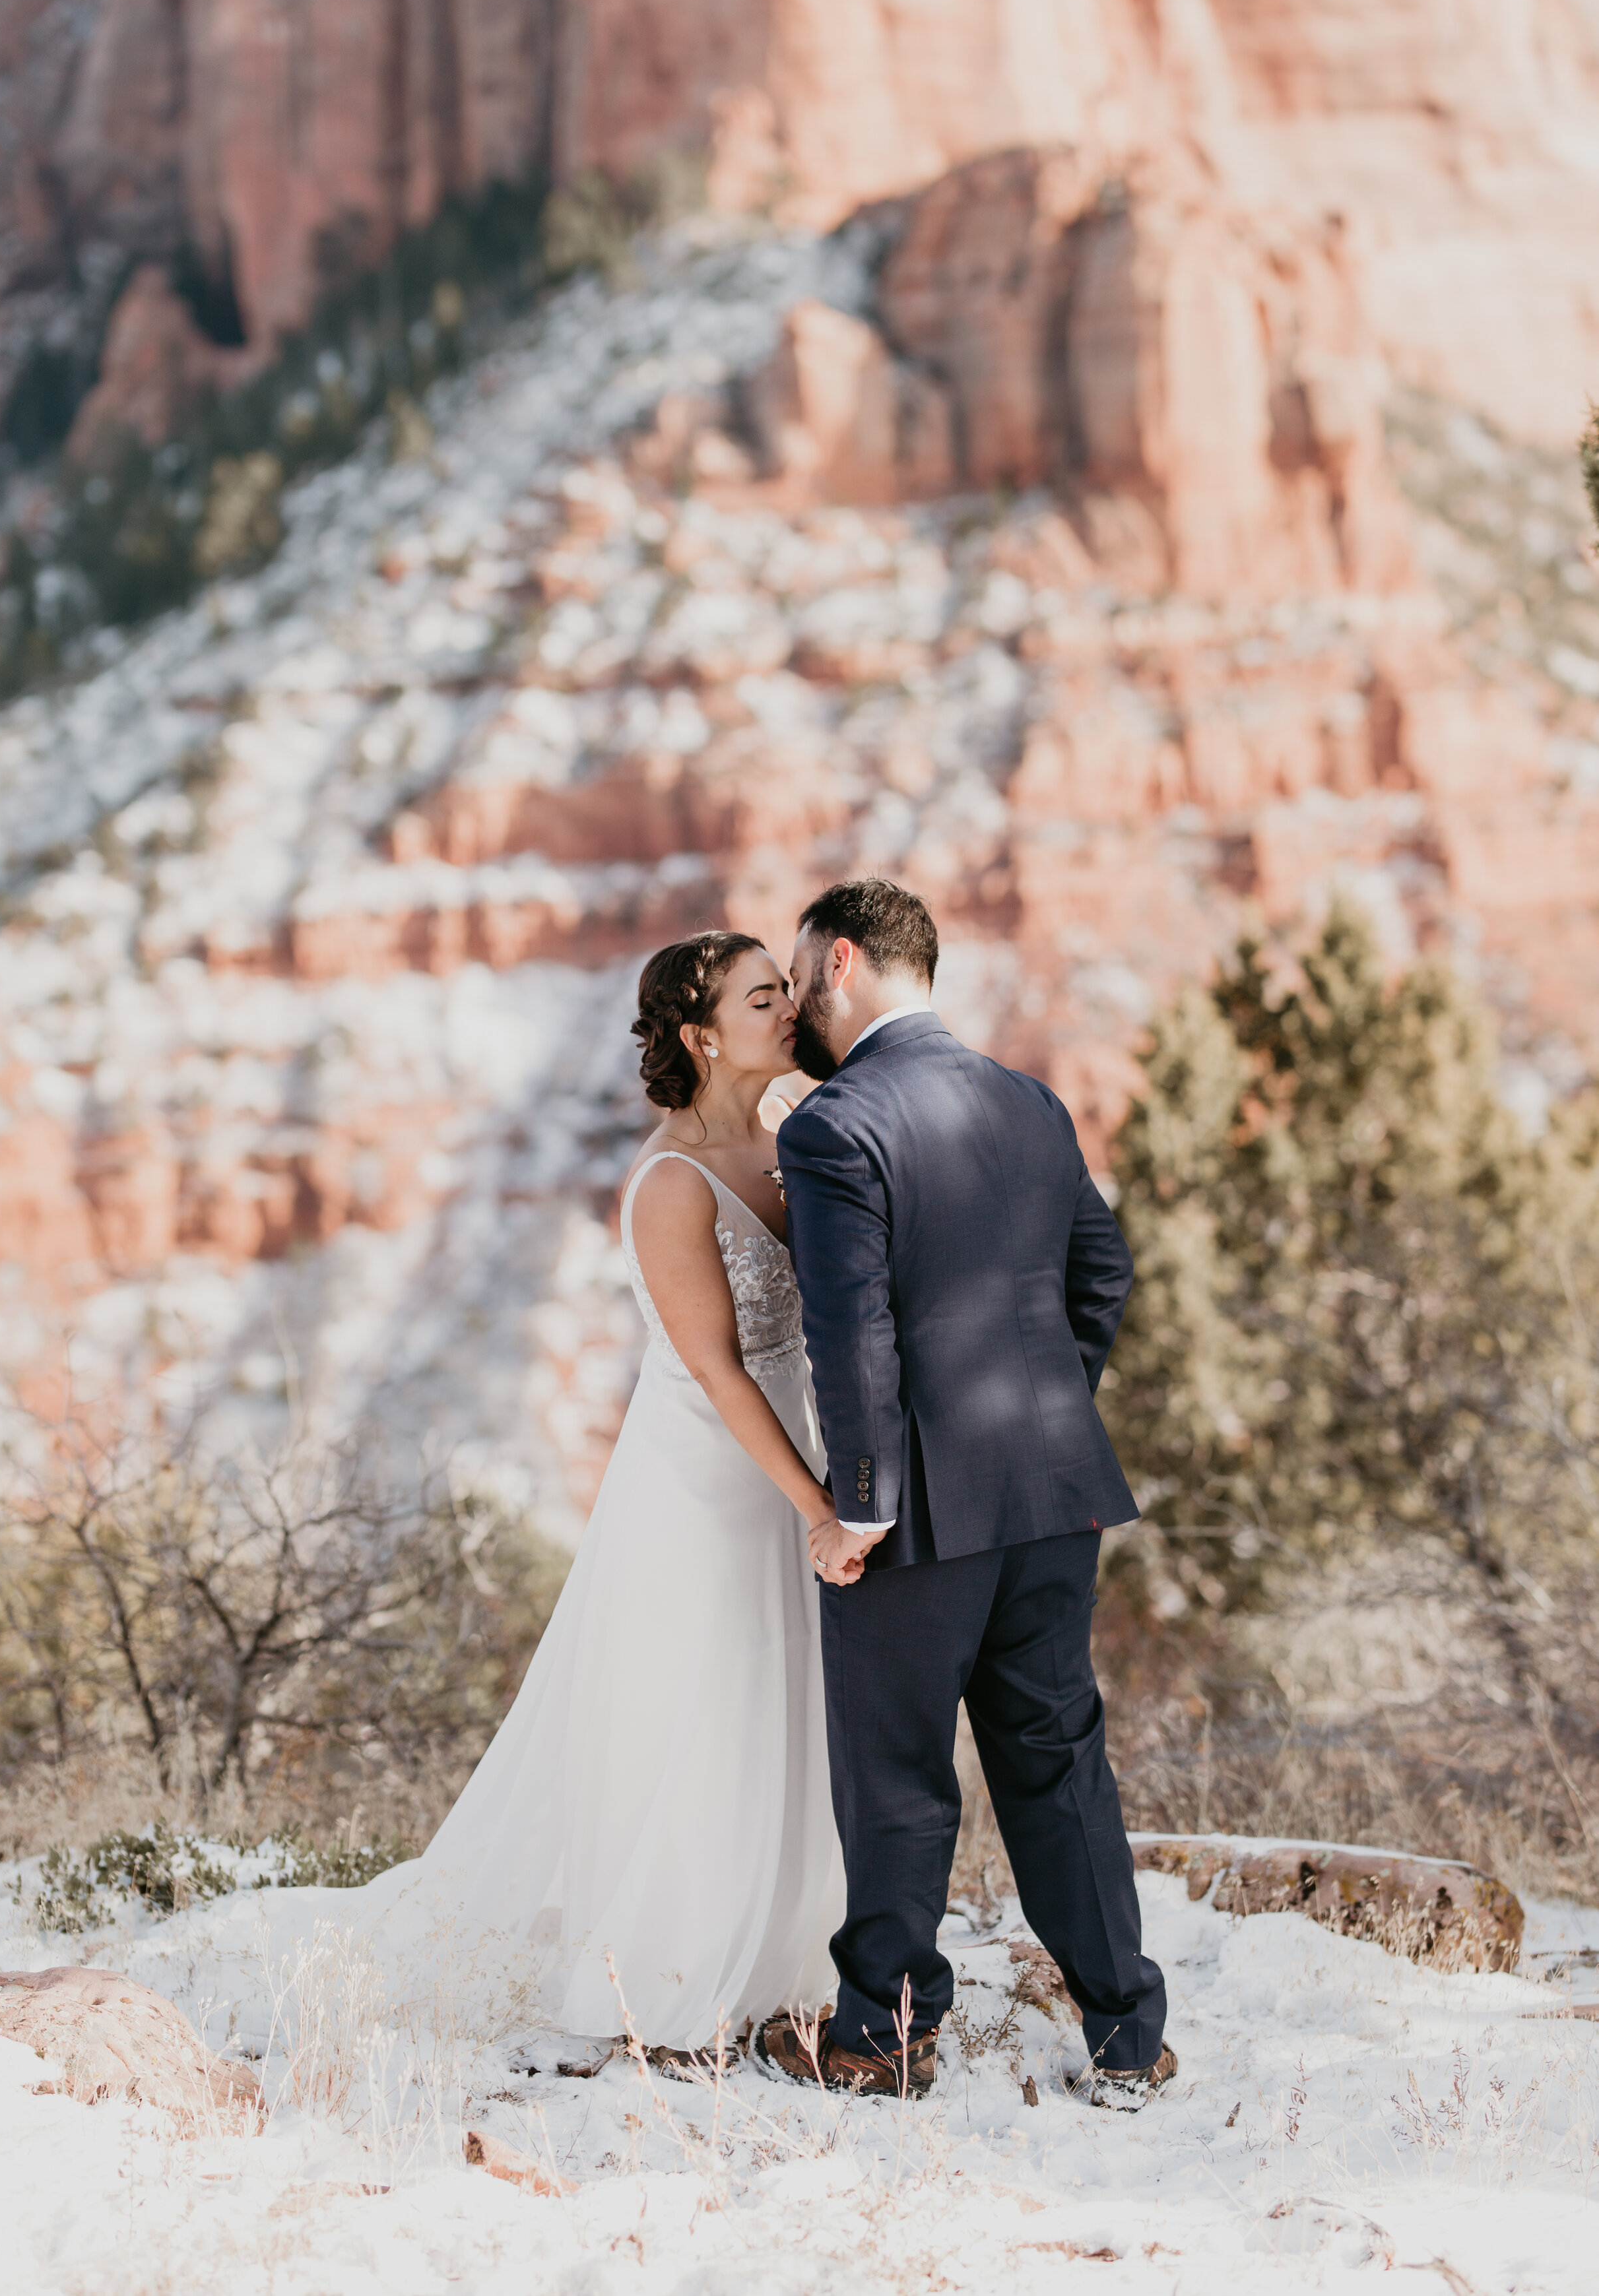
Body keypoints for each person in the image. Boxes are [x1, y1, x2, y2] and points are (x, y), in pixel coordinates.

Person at [353, 932, 847, 2065]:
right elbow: (719, 1368)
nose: (790, 1009)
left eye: (787, 990)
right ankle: (673, 1982)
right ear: (701, 1033)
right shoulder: (670, 1185)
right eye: (763, 996)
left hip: (798, 1453)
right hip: (709, 1484)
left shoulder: (787, 1142)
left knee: (798, 1700)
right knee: (713, 1707)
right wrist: (812, 1501)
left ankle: (794, 1957)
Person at [757, 878, 1174, 2109]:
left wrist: (867, 1503)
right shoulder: (1029, 1100)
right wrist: (1043, 1415)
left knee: (896, 1775)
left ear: (840, 963)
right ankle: (1128, 2039)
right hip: (1052, 1497)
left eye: (800, 978)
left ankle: (884, 2039)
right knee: (1059, 1761)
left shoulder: (834, 1127)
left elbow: (853, 1331)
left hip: (920, 1520)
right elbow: (1104, 1275)